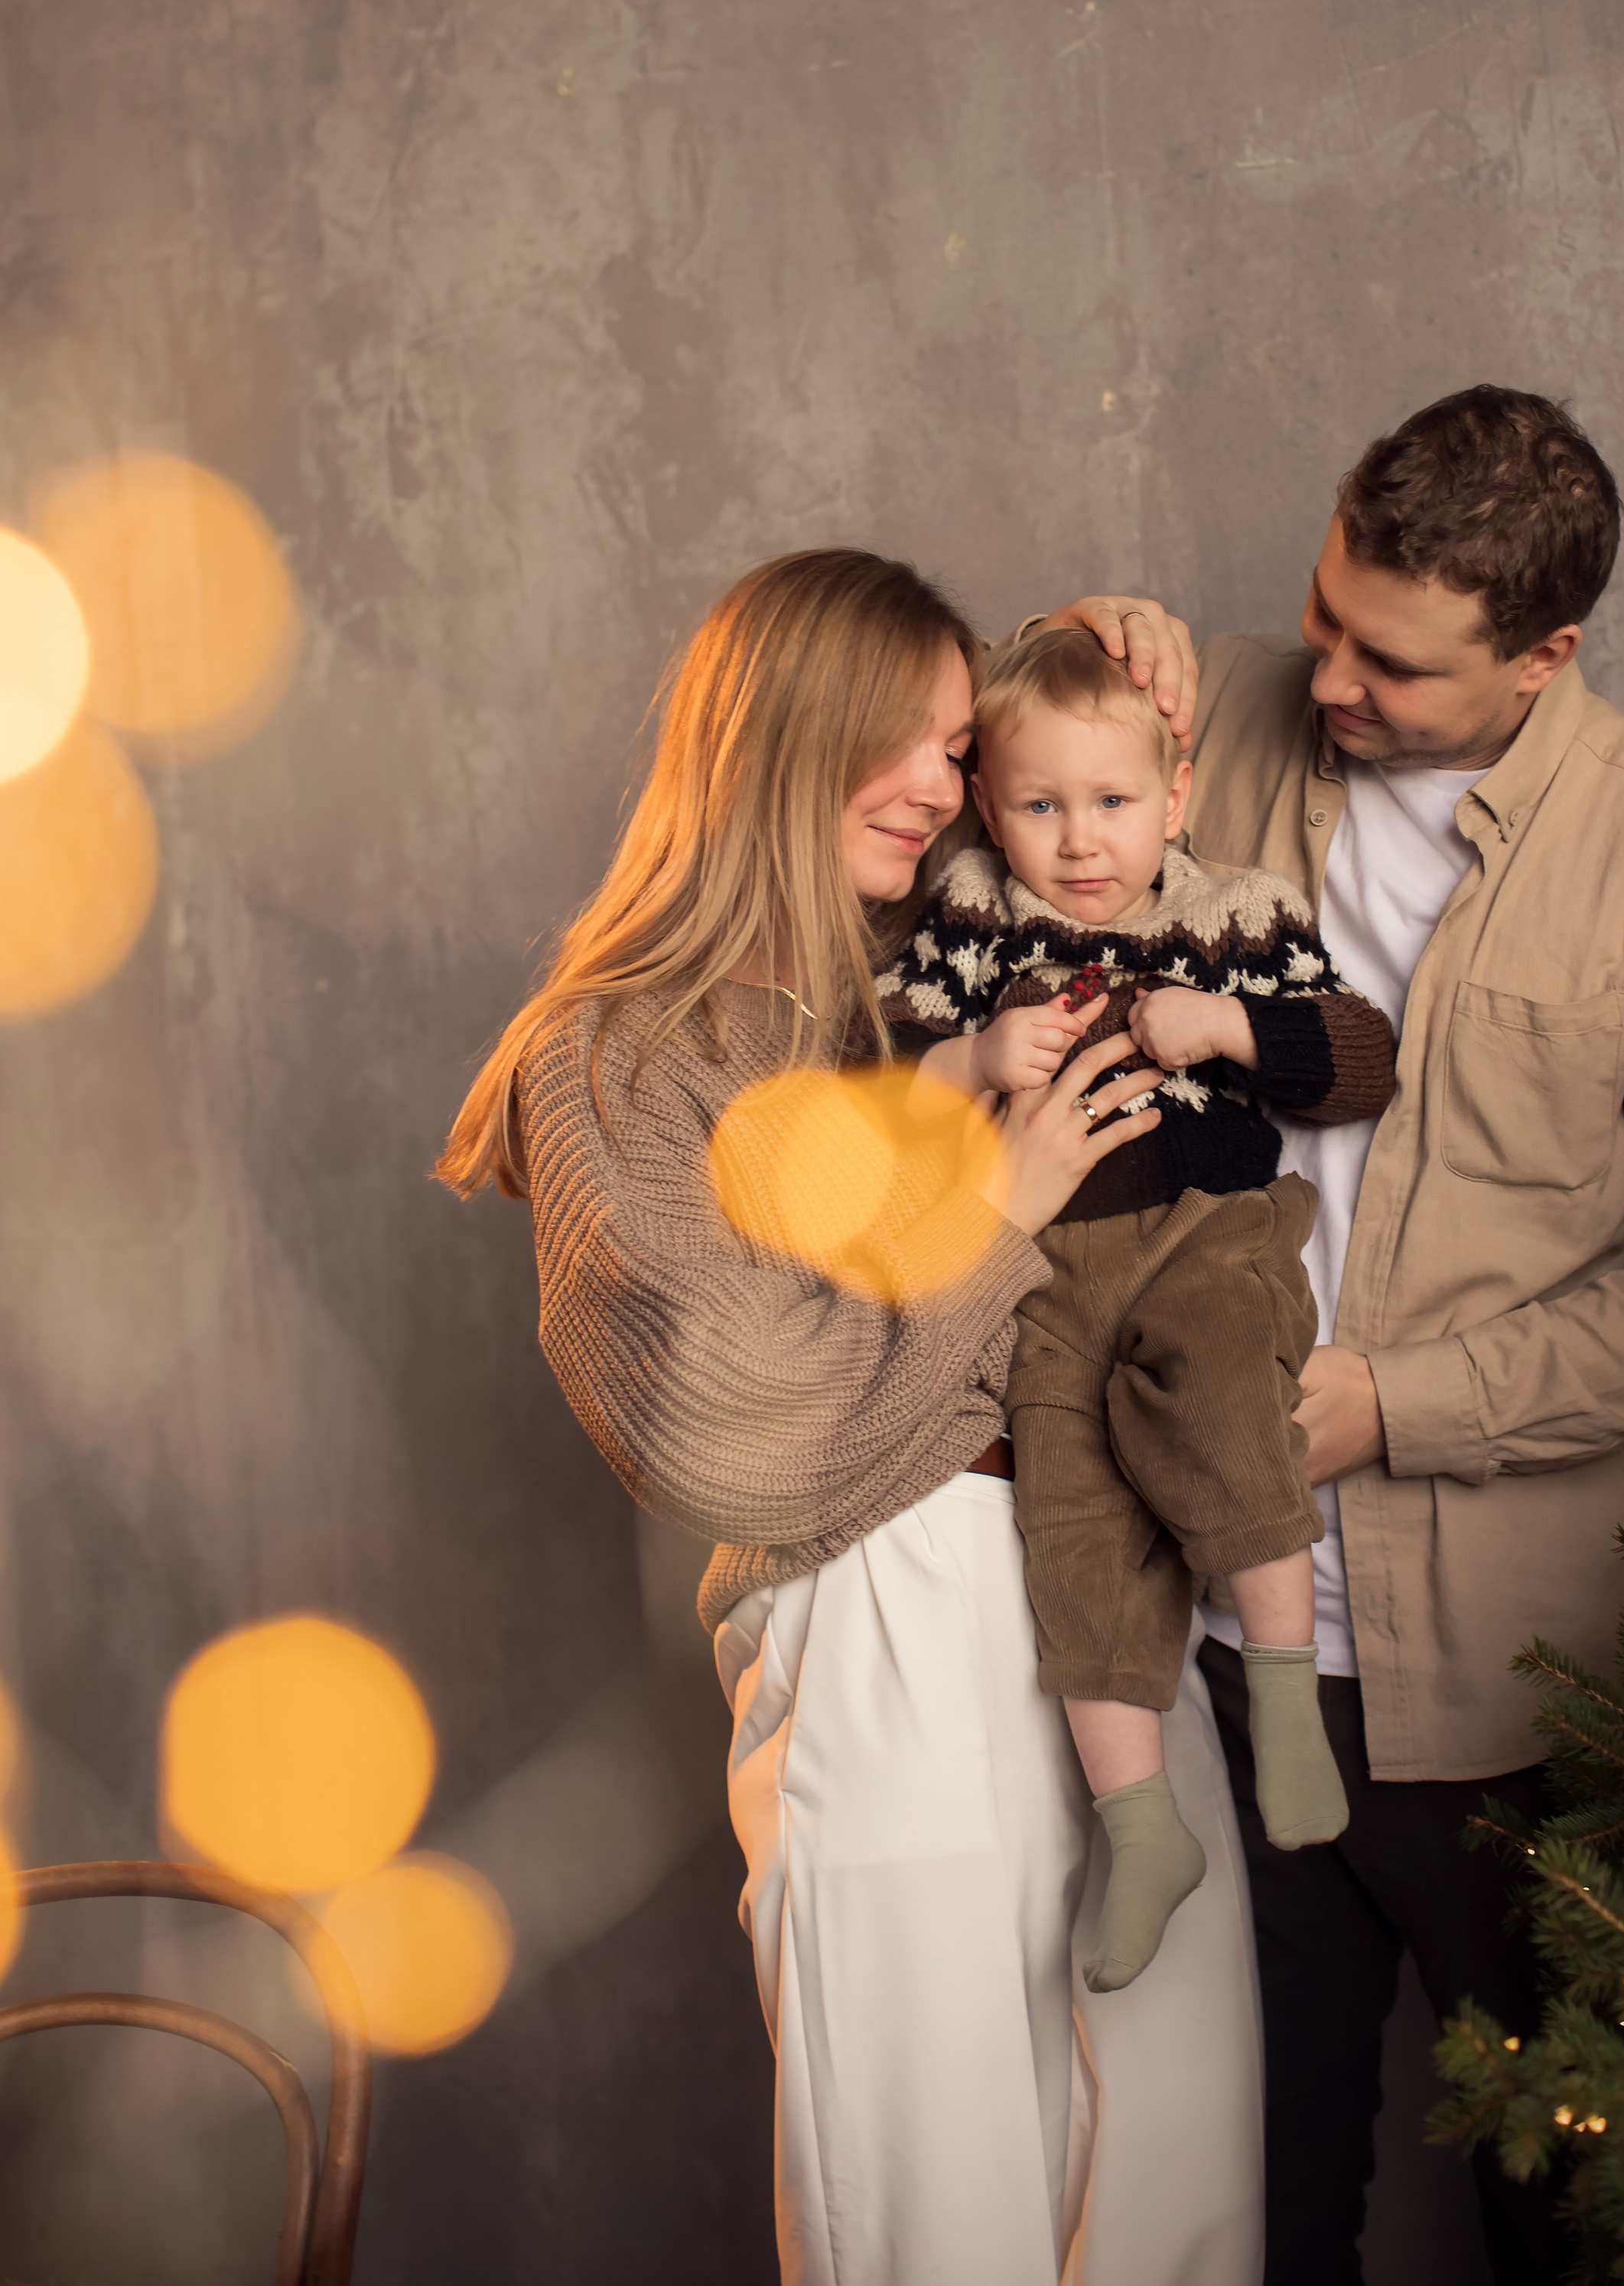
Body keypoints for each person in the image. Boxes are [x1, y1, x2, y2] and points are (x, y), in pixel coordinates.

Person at [1033, 387, 1624, 2284]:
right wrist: (1083, 636)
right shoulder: (1216, 713)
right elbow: (983, 761)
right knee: (1236, 2199)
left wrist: (1399, 1405)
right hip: (1205, 1666)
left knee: (1555, 2214)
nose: (1325, 680)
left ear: (1543, 654)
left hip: (1504, 1691)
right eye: (1318, 618)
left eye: (1386, 663)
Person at [437, 548, 1264, 2286]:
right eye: (887, 743)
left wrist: (1122, 613)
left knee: (1175, 2188)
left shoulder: (924, 965)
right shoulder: (619, 1050)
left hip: (1104, 1588)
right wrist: (999, 1214)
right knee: (937, 2198)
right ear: (766, 744)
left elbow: (1103, 782)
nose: (936, 785)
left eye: (954, 746)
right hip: (886, 1596)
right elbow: (722, 1426)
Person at [878, 623, 1399, 1991]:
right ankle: (1142, 1822)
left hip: (1207, 1236)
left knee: (1227, 1391)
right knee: (1072, 1508)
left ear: (1176, 794)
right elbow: (872, 1078)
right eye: (1040, 805)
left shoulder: (1238, 907)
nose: (1081, 840)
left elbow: (1361, 1059)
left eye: (1113, 803)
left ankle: (1286, 1698)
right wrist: (976, 1052)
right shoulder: (973, 912)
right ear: (989, 803)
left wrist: (1224, 1030)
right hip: (1047, 1267)